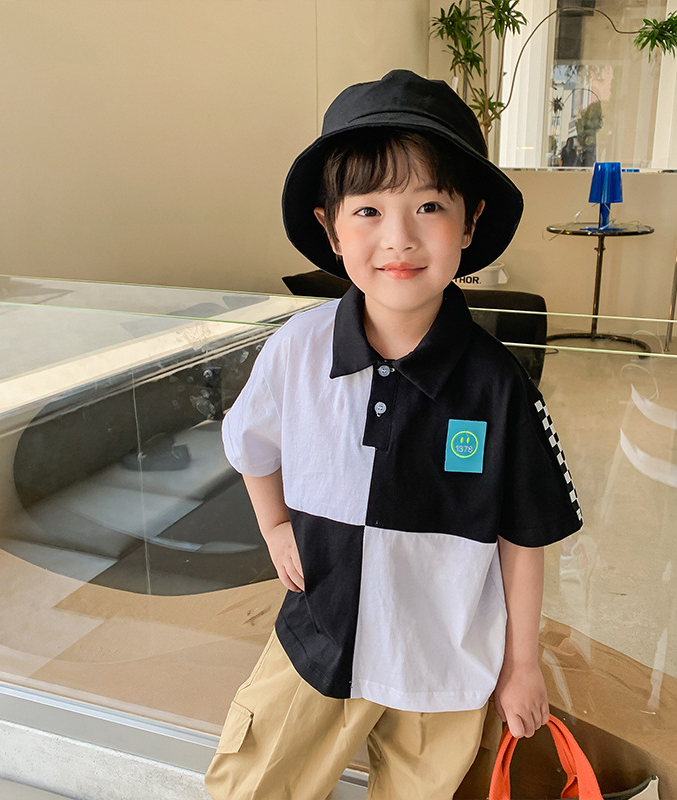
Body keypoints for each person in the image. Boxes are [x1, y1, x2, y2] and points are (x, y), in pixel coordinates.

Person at [205, 69, 582, 800]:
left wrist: (521, 664)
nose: (399, 238)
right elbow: (250, 442)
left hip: (441, 659)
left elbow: (524, 534)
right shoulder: (299, 349)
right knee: (251, 784)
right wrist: (275, 525)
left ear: (469, 223)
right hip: (318, 637)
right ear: (331, 227)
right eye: (369, 210)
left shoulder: (497, 384)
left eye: (429, 206)